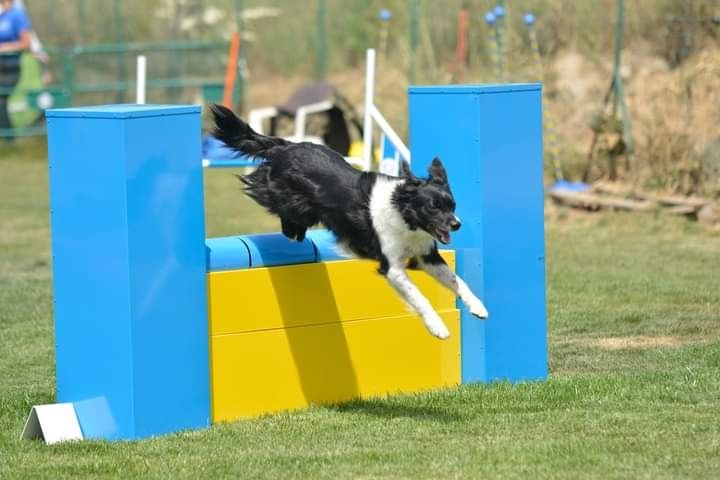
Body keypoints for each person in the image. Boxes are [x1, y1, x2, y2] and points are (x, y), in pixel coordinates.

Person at [0, 0, 31, 142]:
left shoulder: (17, 15)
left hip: (12, 66)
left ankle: (9, 139)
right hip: (1, 66)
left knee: (1, 99)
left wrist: (4, 48)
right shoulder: (2, 16)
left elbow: (25, 43)